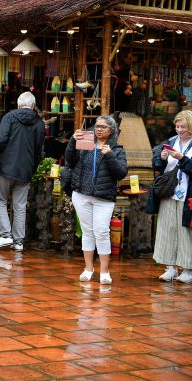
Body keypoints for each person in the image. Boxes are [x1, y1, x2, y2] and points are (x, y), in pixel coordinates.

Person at [66, 115, 128, 284]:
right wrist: (72, 141)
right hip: (82, 194)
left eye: (103, 127)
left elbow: (121, 173)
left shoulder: (117, 149)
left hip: (104, 198)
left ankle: (105, 272)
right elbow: (70, 160)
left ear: (111, 131)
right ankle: (88, 269)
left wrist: (109, 155)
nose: (99, 129)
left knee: (101, 231)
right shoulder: (86, 142)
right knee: (87, 231)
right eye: (97, 126)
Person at [151, 110, 192, 284]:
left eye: (183, 126)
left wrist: (182, 158)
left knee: (188, 232)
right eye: (177, 126)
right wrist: (161, 157)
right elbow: (157, 165)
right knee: (168, 229)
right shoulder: (170, 142)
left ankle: (189, 270)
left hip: (190, 193)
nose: (179, 130)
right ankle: (170, 268)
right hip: (170, 191)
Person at [0, 92, 45, 251]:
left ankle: (6, 235)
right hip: (26, 168)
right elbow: (39, 150)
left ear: (19, 104)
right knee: (20, 205)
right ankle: (19, 241)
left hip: (6, 165)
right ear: (33, 106)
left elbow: (0, 140)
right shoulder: (39, 123)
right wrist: (33, 167)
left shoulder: (9, 117)